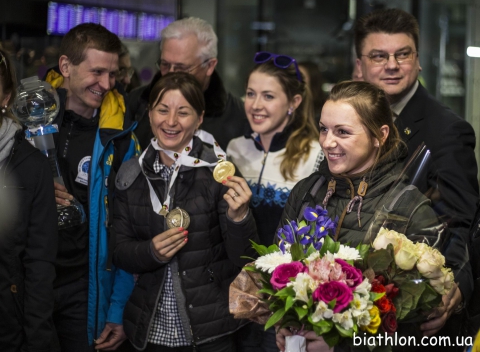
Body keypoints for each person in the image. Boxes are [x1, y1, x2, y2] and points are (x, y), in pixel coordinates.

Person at [275, 81, 467, 351]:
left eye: (343, 132)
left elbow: (418, 329)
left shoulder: (410, 210)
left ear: (380, 135)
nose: (328, 142)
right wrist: (284, 322)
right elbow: (278, 272)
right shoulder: (307, 191)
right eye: (324, 129)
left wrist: (339, 345)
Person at [354, 8, 476, 347]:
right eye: (379, 56)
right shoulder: (349, 125)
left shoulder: (448, 131)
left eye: (402, 54)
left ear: (418, 61)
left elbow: (463, 220)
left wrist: (456, 287)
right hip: (356, 308)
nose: (392, 65)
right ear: (360, 65)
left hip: (418, 316)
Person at [112, 72, 259, 351]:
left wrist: (239, 218)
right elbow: (119, 251)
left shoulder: (219, 172)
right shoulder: (132, 174)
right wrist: (149, 252)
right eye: (162, 110)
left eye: (183, 112)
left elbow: (245, 258)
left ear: (200, 118)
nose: (170, 122)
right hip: (150, 329)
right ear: (150, 113)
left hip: (211, 331)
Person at [44, 23, 140, 351]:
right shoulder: (28, 119)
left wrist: (117, 310)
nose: (106, 84)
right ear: (66, 66)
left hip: (86, 288)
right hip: (30, 279)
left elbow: (130, 229)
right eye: (97, 72)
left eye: (112, 74)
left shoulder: (122, 138)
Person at [227, 53, 322, 352]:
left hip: (285, 302)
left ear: (293, 102)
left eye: (268, 96)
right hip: (237, 294)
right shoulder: (234, 149)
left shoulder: (315, 154)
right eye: (251, 94)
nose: (256, 105)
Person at [0, 47, 58, 351]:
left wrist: (37, 338)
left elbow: (40, 260)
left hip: (11, 326)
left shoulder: (31, 165)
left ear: (6, 97)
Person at [128, 16, 247, 151]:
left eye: (182, 68)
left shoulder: (238, 117)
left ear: (209, 66)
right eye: (165, 64)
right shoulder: (136, 101)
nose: (171, 74)